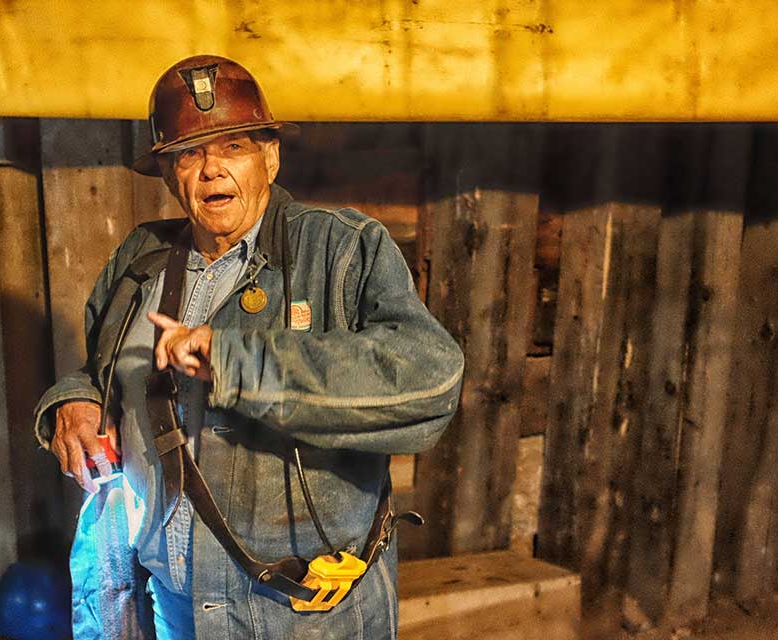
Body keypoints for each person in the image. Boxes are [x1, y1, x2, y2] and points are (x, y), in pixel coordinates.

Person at [34, 54, 464, 640]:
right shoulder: (141, 259)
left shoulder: (340, 249)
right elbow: (102, 369)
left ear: (271, 156)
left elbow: (430, 383)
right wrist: (76, 400)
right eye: (189, 154)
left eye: (233, 147)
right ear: (169, 176)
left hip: (303, 617)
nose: (212, 170)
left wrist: (239, 362)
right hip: (173, 607)